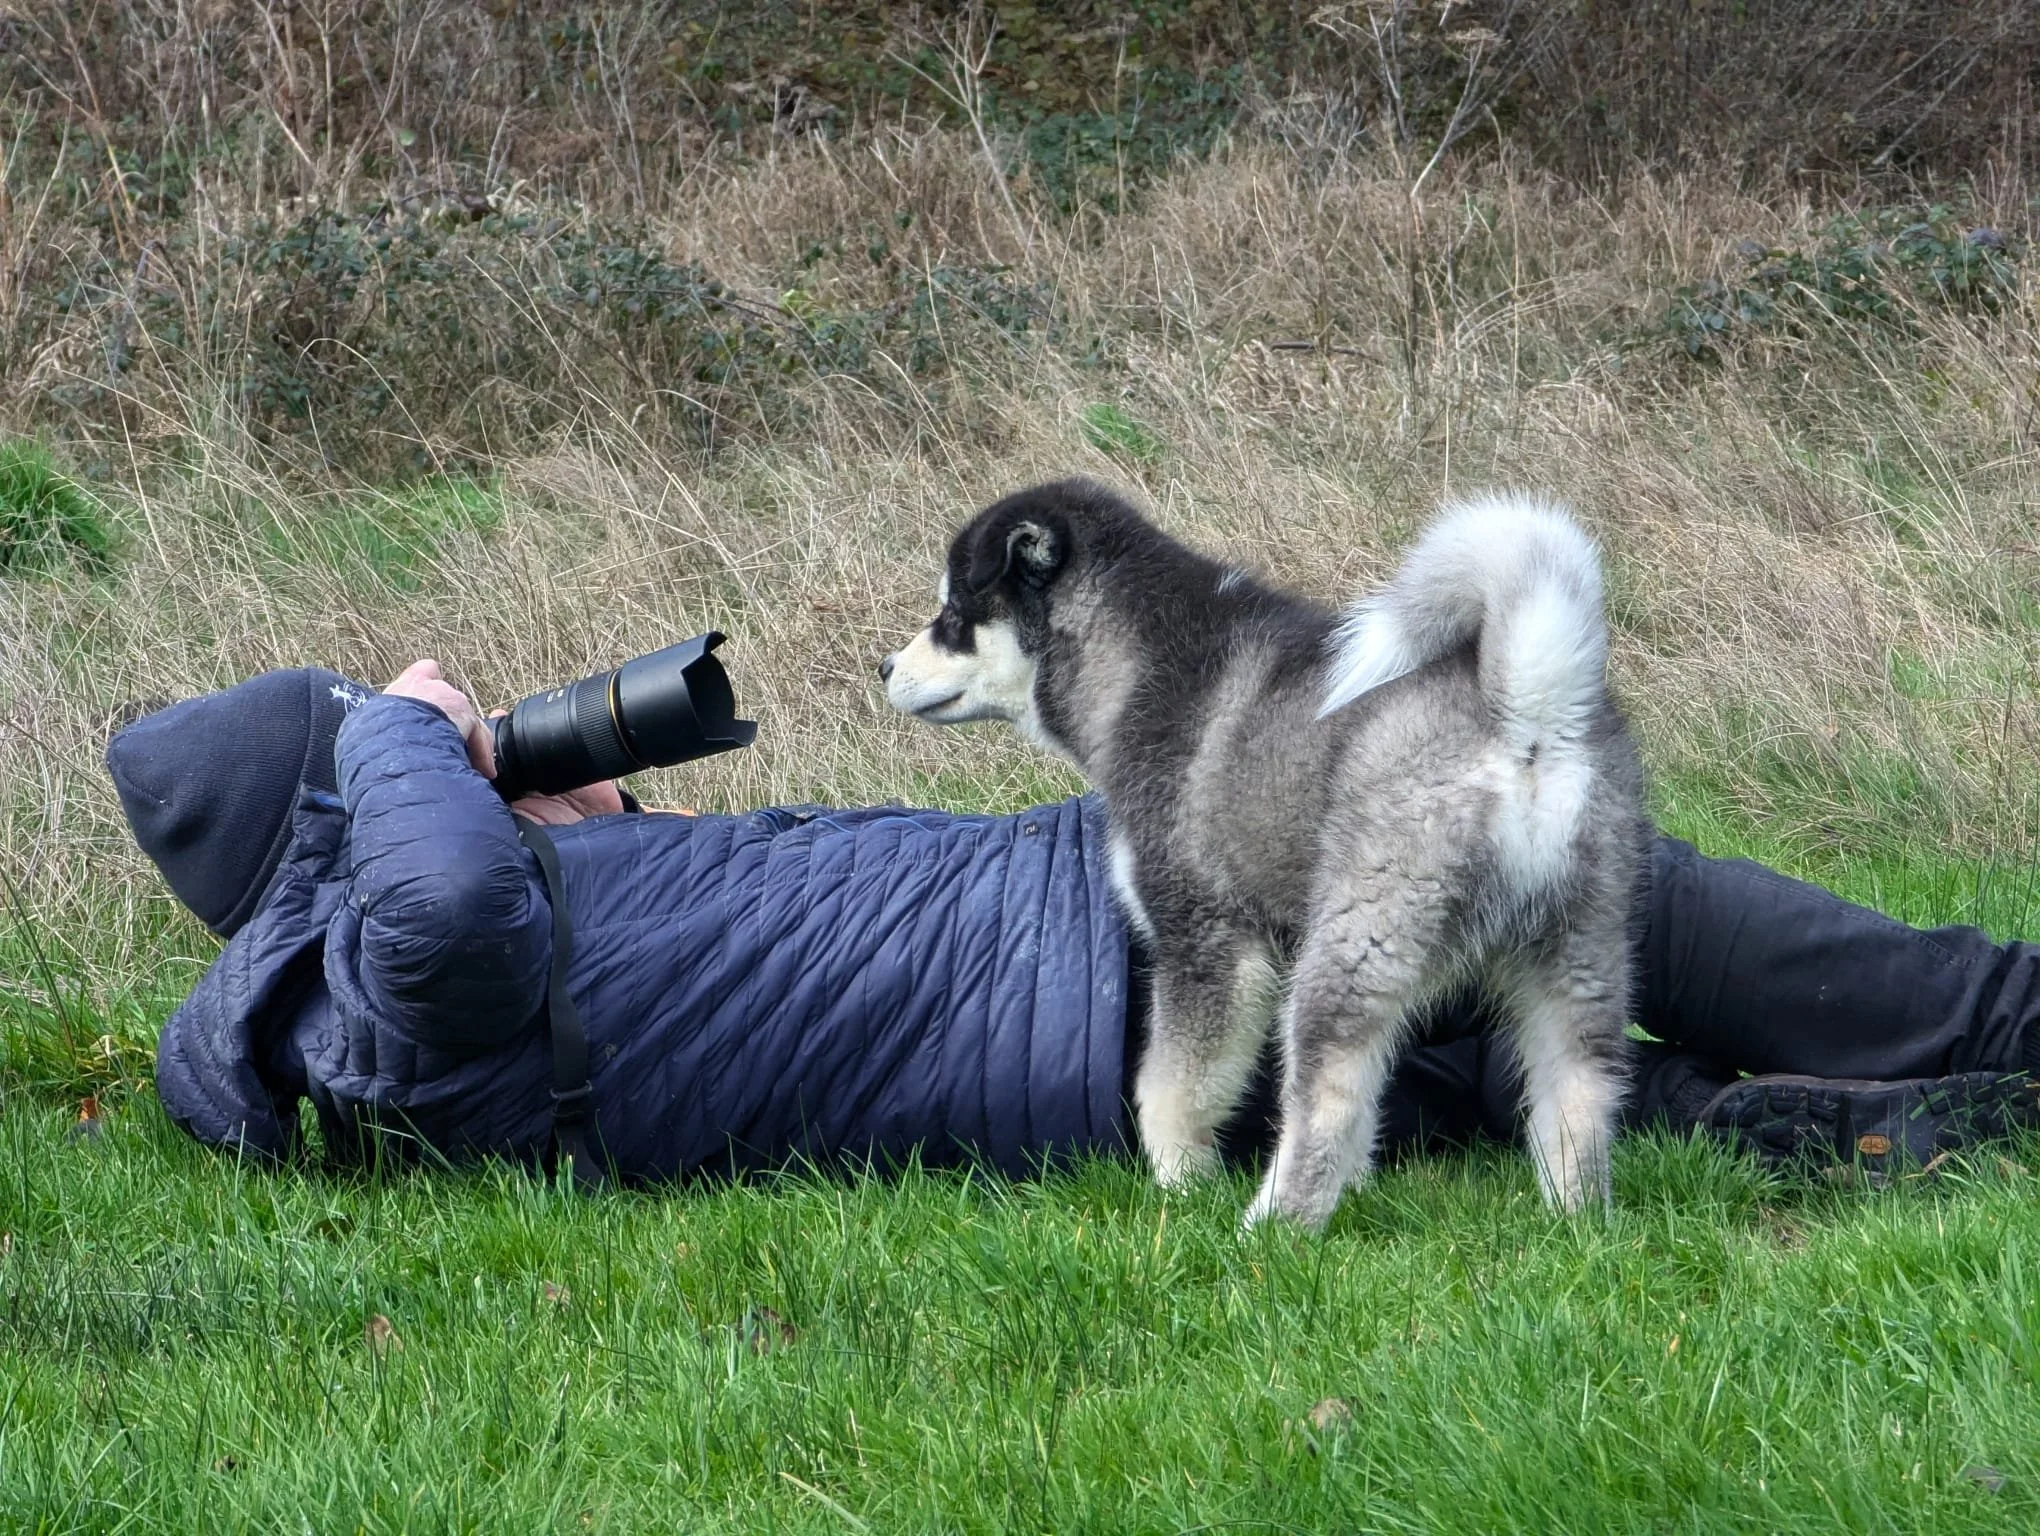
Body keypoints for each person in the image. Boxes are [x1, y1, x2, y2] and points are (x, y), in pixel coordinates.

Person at [106, 662, 2040, 1188]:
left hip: (1071, 1013)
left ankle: (1814, 1130)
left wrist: (576, 812)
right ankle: (1999, 1012)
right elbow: (453, 912)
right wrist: (405, 726)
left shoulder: (362, 1020)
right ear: (334, 822)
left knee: (1476, 1053)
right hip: (1097, 958)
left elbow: (626, 937)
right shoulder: (382, 975)